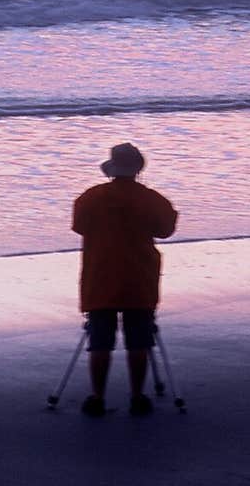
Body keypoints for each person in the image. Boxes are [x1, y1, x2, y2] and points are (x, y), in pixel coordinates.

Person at [72, 141, 178, 418]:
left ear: (112, 169)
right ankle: (137, 396)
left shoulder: (89, 198)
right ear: (137, 170)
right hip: (139, 276)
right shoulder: (152, 199)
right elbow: (166, 229)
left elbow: (79, 226)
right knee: (139, 341)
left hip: (100, 276)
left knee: (99, 341)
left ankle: (97, 397)